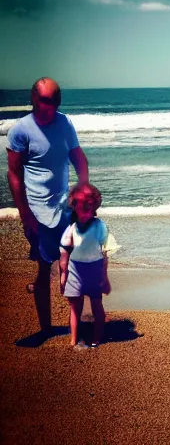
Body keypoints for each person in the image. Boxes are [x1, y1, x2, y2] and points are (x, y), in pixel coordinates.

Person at [6, 77, 89, 341]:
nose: (49, 105)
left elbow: (77, 156)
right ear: (33, 98)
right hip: (37, 212)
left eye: (54, 100)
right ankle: (45, 329)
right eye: (44, 100)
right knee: (44, 270)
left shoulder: (65, 123)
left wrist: (83, 192)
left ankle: (76, 323)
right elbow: (14, 174)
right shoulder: (20, 131)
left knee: (76, 265)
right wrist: (25, 214)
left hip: (65, 209)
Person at [59, 183, 113, 349]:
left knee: (97, 304)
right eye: (79, 208)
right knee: (75, 306)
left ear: (95, 207)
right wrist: (63, 276)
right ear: (74, 207)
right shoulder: (72, 228)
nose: (83, 213)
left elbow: (105, 254)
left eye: (88, 208)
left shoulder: (100, 227)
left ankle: (97, 338)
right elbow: (64, 253)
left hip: (95, 270)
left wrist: (105, 278)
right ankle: (73, 339)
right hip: (75, 270)